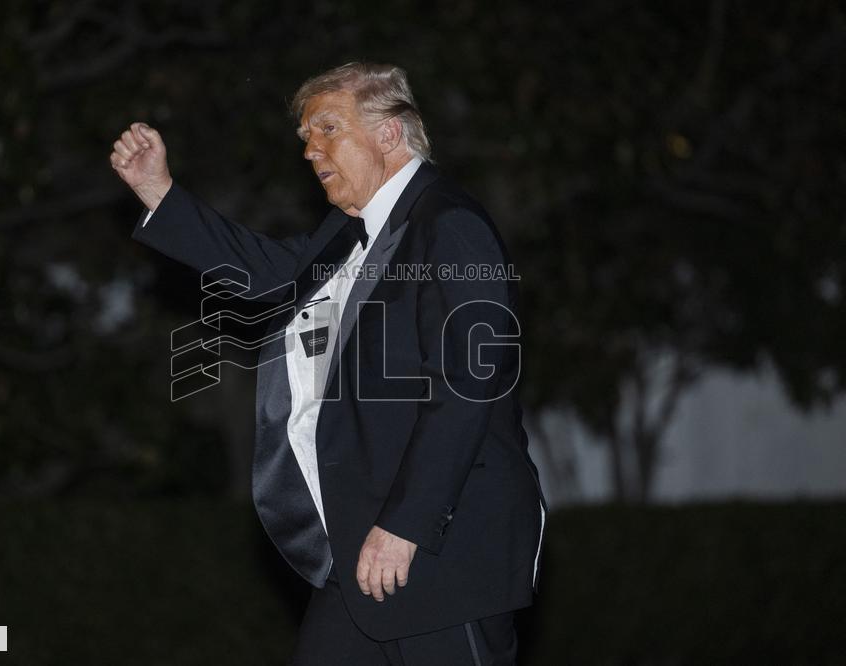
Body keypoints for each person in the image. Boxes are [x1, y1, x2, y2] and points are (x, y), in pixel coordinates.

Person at [110, 62, 546, 666]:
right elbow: (262, 273)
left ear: (389, 132)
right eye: (306, 136)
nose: (311, 149)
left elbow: (469, 384)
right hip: (359, 551)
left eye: (328, 128)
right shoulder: (345, 232)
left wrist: (409, 525)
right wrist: (159, 192)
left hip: (440, 550)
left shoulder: (451, 225)